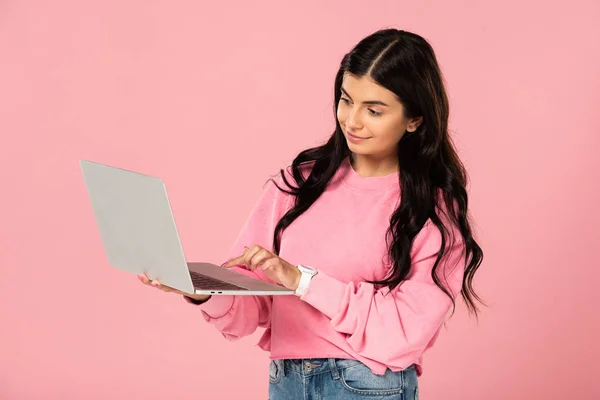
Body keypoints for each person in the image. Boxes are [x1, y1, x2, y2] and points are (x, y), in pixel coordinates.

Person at [138, 28, 484, 400]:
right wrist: (203, 290)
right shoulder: (298, 185)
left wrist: (302, 280)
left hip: (366, 385)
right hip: (287, 380)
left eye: (374, 110)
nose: (351, 121)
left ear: (414, 119)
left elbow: (405, 331)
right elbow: (251, 305)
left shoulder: (430, 210)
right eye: (346, 100)